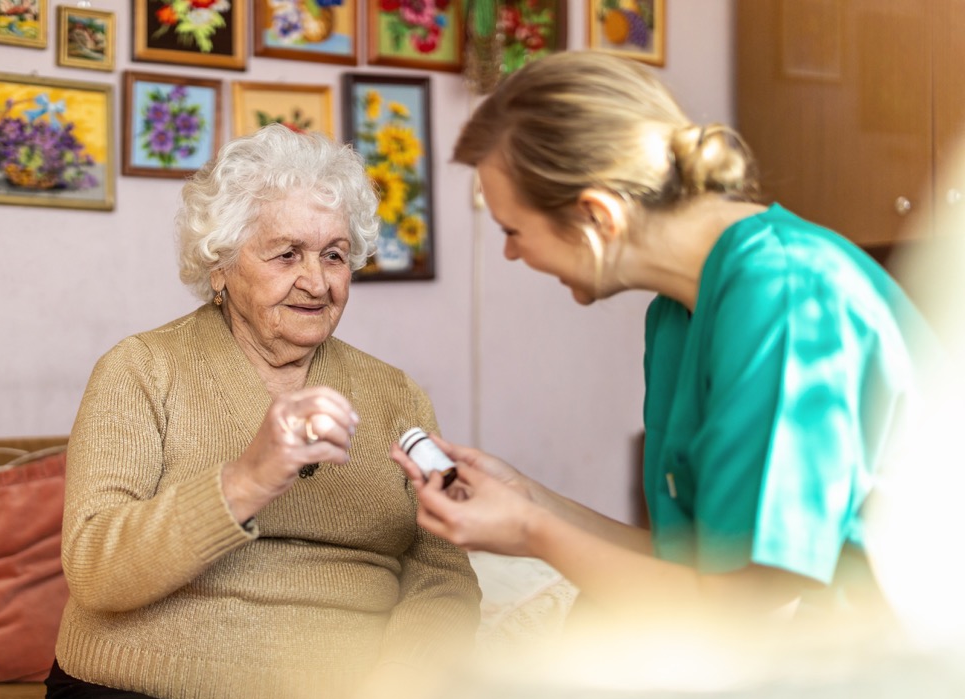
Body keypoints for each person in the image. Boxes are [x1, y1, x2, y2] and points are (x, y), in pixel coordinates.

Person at [44, 123, 481, 699]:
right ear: (220, 264)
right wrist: (245, 481)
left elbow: (443, 575)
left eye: (334, 254)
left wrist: (394, 697)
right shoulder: (141, 370)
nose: (317, 280)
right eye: (286, 254)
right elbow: (94, 565)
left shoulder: (394, 394)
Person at [392, 51, 935, 635]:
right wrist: (530, 501)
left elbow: (739, 609)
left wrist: (530, 531)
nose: (511, 253)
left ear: (596, 216)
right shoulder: (676, 313)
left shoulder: (786, 295)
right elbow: (692, 568)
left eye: (513, 231)